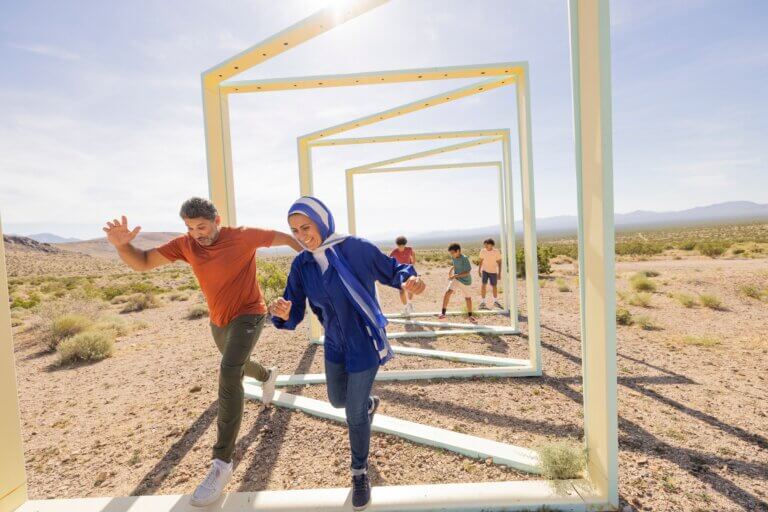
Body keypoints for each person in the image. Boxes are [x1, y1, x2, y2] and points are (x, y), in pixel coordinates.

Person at [102, 197, 302, 508]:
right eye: (190, 227)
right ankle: (267, 375)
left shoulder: (242, 235)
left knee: (228, 372)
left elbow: (286, 238)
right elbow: (142, 262)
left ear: (217, 220)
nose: (197, 233)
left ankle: (221, 463)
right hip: (218, 320)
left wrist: (312, 260)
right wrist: (121, 246)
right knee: (237, 364)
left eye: (202, 226)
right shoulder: (185, 245)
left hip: (250, 313)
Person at [268, 196, 425, 511]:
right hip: (335, 343)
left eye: (306, 227)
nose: (301, 236)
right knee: (338, 400)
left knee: (352, 414)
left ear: (323, 221)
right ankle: (367, 404)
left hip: (364, 340)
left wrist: (409, 278)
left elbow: (394, 270)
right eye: (295, 231)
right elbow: (294, 307)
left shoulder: (355, 248)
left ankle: (359, 473)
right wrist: (282, 312)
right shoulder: (302, 264)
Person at [438, 242, 477, 323]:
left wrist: (455, 276)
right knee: (447, 293)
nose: (452, 255)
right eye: (451, 253)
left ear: (458, 251)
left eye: (453, 253)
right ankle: (443, 313)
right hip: (456, 279)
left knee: (468, 298)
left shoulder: (465, 258)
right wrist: (451, 271)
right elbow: (455, 265)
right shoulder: (454, 257)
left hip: (465, 281)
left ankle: (470, 316)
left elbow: (467, 272)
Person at [389, 236, 416, 316]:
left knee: (410, 288)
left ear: (405, 244)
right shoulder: (394, 252)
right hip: (399, 272)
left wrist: (412, 264)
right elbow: (389, 261)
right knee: (401, 291)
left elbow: (413, 255)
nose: (401, 247)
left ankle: (410, 304)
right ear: (397, 245)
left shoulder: (409, 249)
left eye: (402, 246)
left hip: (409, 271)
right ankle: (405, 308)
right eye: (399, 246)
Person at [478, 238, 503, 310]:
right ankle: (483, 303)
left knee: (494, 286)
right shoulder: (482, 251)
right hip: (485, 271)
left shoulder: (496, 252)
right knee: (483, 286)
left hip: (493, 272)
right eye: (484, 244)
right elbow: (481, 261)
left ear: (491, 245)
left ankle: (495, 302)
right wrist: (479, 270)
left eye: (486, 244)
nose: (485, 246)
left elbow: (499, 263)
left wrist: (499, 273)